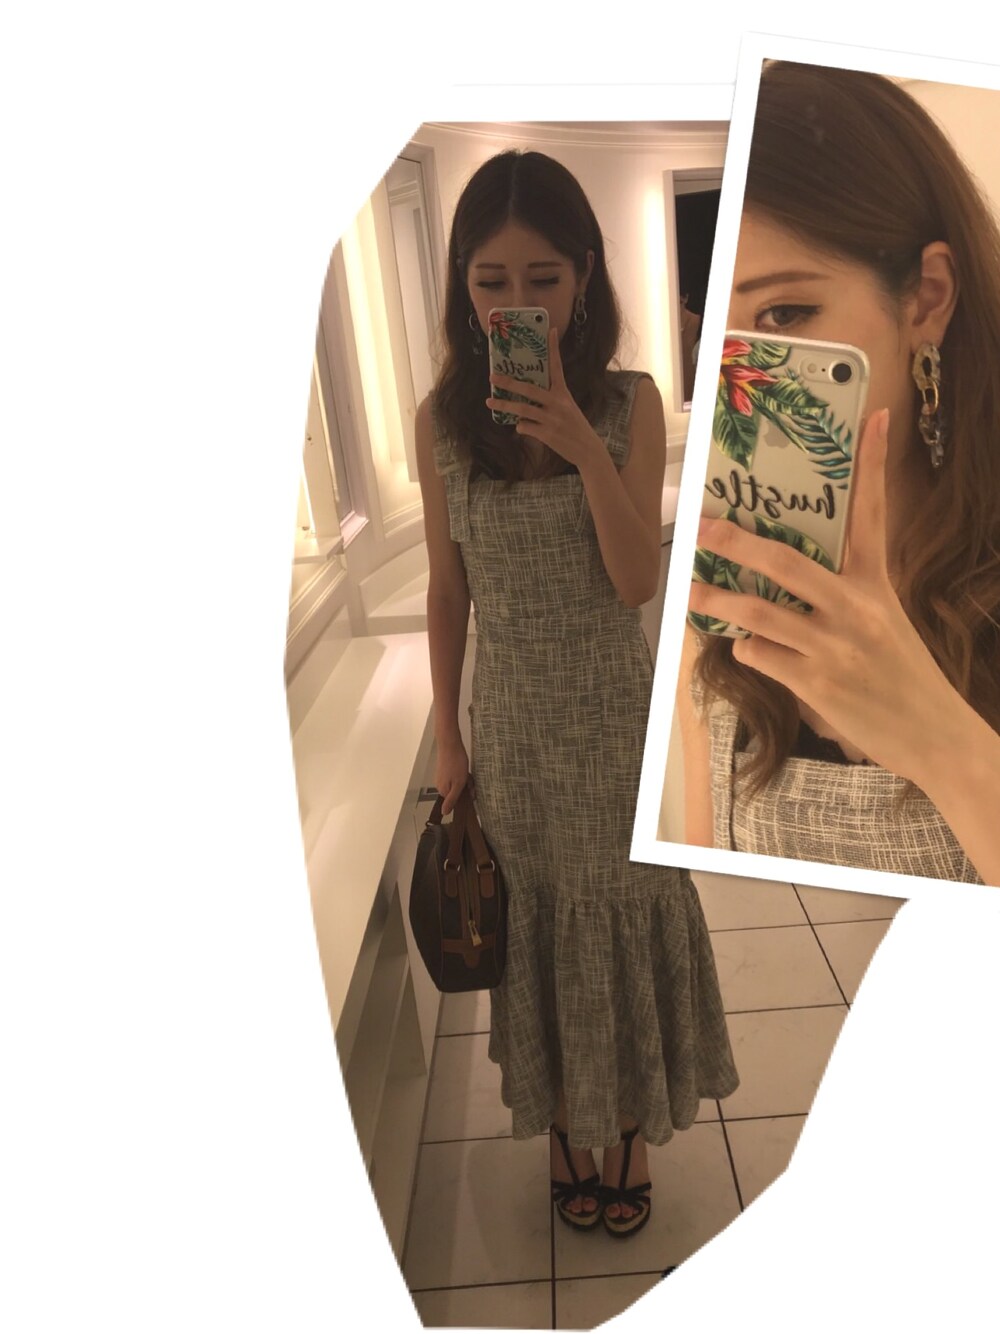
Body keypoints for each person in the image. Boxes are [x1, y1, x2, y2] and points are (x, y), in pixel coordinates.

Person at [415, 149, 738, 1238]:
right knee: (541, 931)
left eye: (543, 278)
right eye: (491, 281)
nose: (518, 302)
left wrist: (579, 445)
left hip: (613, 724)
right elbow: (447, 591)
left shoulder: (629, 403)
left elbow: (637, 583)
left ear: (586, 276)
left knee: (621, 923)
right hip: (511, 727)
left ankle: (628, 1129)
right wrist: (447, 737)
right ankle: (564, 1127)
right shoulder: (441, 424)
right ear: (463, 288)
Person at [682, 62, 1000, 886]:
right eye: (718, 337)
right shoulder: (727, 588)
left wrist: (943, 742)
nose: (747, 382)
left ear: (927, 298)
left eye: (785, 314)